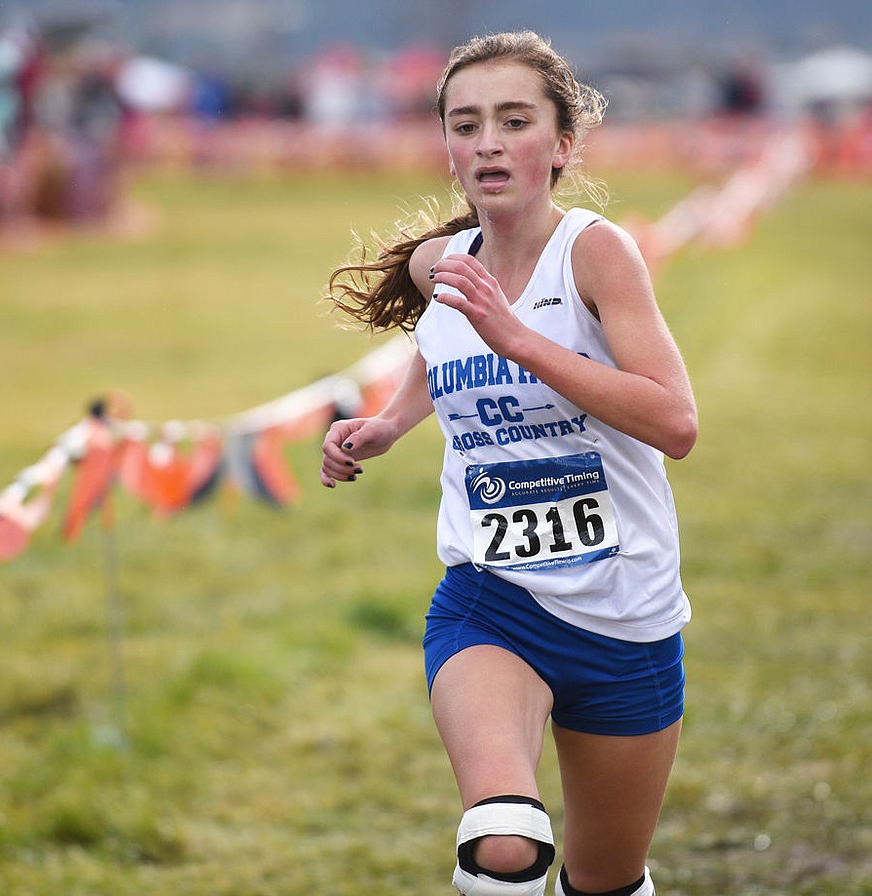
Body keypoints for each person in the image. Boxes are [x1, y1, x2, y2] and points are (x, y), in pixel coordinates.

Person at [319, 31, 697, 896]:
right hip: (495, 602)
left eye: (514, 120)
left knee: (604, 882)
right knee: (502, 847)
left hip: (624, 617)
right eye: (466, 123)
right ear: (449, 151)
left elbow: (675, 422)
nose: (487, 140)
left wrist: (517, 337)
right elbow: (443, 336)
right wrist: (390, 423)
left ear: (560, 146)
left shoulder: (597, 254)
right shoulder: (441, 266)